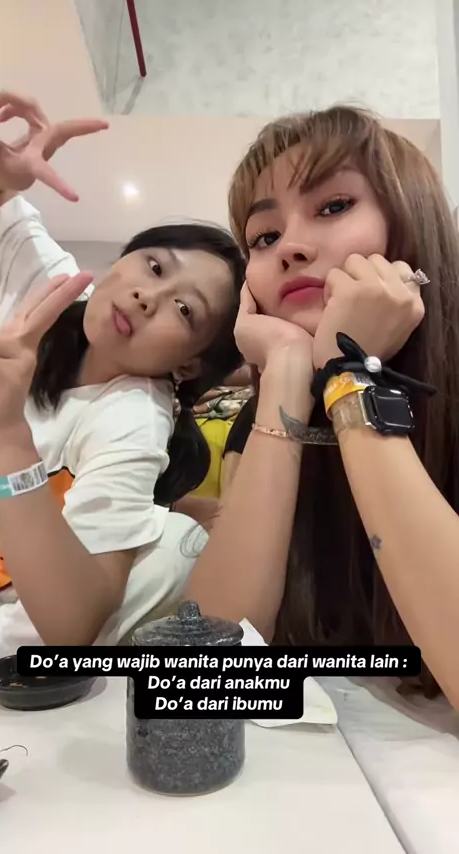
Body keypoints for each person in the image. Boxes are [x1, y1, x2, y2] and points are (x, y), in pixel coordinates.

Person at [186, 104, 459, 711]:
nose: (291, 247)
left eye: (333, 206)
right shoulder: (262, 419)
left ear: (410, 219)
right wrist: (289, 370)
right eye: (264, 237)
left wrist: (352, 376)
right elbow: (205, 673)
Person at [0, 91, 245, 659]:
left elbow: (73, 623)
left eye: (184, 310)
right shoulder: (53, 292)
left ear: (189, 363)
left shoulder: (133, 419)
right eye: (155, 265)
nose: (149, 296)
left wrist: (6, 437)